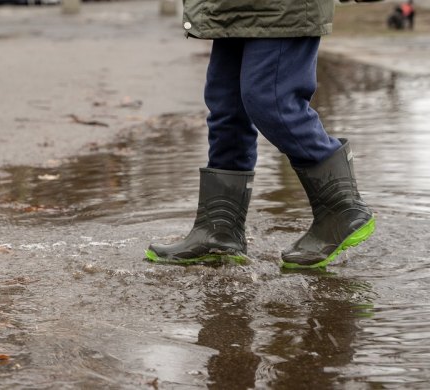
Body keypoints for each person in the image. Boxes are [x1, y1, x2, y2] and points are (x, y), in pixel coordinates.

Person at [145, 0, 375, 269]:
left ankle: (341, 208)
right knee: (227, 107)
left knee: (272, 101)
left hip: (281, 7)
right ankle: (219, 230)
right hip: (229, 7)